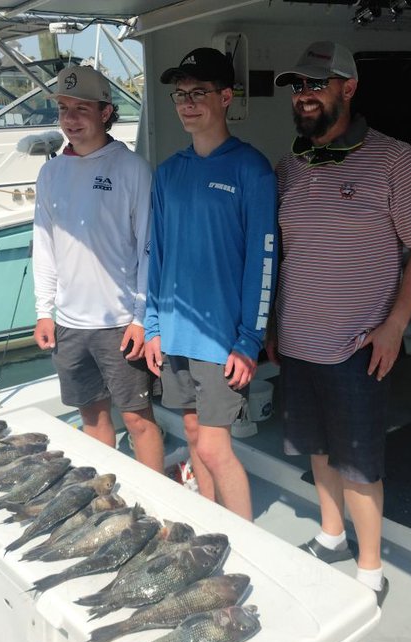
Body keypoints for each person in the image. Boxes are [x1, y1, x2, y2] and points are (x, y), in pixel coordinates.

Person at [269, 41, 411, 604]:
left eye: (317, 84)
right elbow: (282, 254)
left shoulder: (393, 159)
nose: (305, 95)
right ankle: (331, 535)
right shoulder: (290, 166)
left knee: (360, 464)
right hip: (298, 338)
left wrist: (395, 325)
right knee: (318, 449)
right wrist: (271, 325)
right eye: (298, 86)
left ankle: (370, 571)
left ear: (349, 87)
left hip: (357, 344)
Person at [144, 48, 278, 520]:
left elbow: (264, 262)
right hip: (174, 334)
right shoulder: (168, 172)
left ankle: (245, 541)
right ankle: (207, 523)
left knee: (216, 448)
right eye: (181, 94)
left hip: (222, 340)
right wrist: (153, 325)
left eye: (199, 92)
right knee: (193, 435)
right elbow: (157, 256)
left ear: (225, 97)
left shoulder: (252, 169)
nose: (187, 103)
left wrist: (249, 340)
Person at [32, 65, 164, 473]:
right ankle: (107, 494)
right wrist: (44, 311)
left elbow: (149, 249)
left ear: (106, 112)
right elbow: (44, 245)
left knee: (139, 421)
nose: (70, 119)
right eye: (63, 109)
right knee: (92, 417)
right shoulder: (50, 172)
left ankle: (157, 500)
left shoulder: (132, 168)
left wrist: (141, 319)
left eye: (81, 109)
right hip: (69, 325)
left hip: (120, 323)